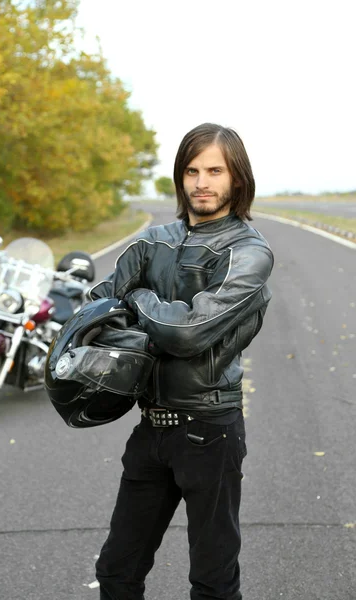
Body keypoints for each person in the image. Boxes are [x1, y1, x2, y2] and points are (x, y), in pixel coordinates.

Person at [88, 122, 274, 600]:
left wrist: (142, 299)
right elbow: (97, 304)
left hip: (209, 431)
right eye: (192, 170)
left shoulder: (249, 253)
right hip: (150, 429)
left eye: (215, 170)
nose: (201, 182)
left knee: (213, 584)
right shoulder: (153, 241)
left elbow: (188, 332)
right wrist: (132, 312)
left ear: (237, 179)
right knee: (116, 572)